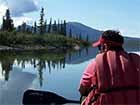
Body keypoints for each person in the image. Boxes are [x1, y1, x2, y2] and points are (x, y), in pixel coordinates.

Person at [79, 30, 140, 105]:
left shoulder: (95, 64)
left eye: (99, 46)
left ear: (104, 46)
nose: (99, 50)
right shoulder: (136, 61)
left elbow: (82, 90)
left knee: (84, 97)